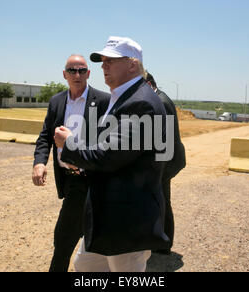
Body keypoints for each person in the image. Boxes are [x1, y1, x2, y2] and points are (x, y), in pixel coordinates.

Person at [54, 37, 171, 272]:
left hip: (127, 221)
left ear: (132, 64)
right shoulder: (122, 97)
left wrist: (70, 145)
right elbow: (111, 148)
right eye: (103, 61)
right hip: (106, 216)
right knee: (84, 267)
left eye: (111, 60)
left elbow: (109, 156)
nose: (104, 66)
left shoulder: (142, 103)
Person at [32, 55, 110, 272]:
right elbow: (45, 137)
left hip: (96, 183)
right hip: (72, 184)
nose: (77, 75)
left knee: (97, 245)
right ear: (64, 74)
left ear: (89, 74)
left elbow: (108, 144)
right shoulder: (57, 102)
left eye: (82, 70)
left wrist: (75, 145)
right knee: (63, 242)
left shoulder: (104, 102)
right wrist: (39, 162)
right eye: (72, 70)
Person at [145, 71, 186, 255]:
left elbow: (164, 139)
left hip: (166, 161)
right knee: (160, 199)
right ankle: (161, 242)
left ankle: (163, 244)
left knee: (162, 200)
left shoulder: (160, 101)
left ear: (148, 83)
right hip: (165, 159)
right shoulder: (157, 98)